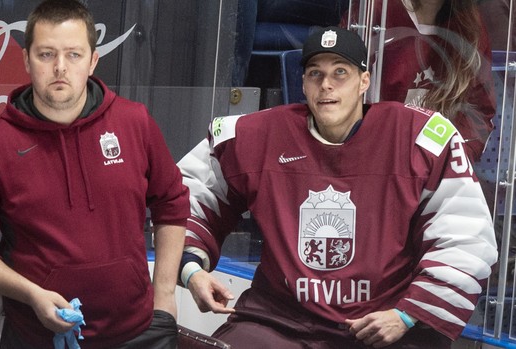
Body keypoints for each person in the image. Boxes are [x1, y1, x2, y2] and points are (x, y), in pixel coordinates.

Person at [177, 27, 498, 348]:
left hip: (383, 323)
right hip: (278, 322)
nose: (326, 84)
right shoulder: (255, 135)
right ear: (303, 83)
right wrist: (191, 270)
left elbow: (467, 241)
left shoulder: (421, 139)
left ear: (364, 81)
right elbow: (185, 197)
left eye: (340, 72)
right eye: (315, 73)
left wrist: (407, 314)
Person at [0, 1, 190, 348]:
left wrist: (164, 295)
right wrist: (31, 294)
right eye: (46, 55)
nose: (60, 67)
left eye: (73, 55)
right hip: (36, 336)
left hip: (139, 333)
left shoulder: (134, 123)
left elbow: (172, 202)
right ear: (27, 60)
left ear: (92, 61)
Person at [343, 0, 496, 163]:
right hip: (373, 160)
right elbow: (341, 94)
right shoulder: (376, 10)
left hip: (432, 169)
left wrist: (450, 164)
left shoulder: (470, 26)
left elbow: (478, 110)